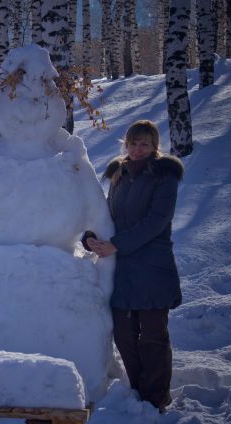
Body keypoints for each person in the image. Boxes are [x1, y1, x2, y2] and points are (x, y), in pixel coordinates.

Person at [83, 120, 184, 413]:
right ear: (125, 144)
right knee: (124, 334)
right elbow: (104, 214)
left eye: (145, 144)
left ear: (155, 147)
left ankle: (156, 398)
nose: (138, 150)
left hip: (153, 267)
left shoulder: (164, 176)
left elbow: (155, 222)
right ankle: (139, 391)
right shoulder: (118, 174)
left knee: (152, 334)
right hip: (123, 270)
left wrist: (117, 244)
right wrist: (90, 237)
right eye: (133, 143)